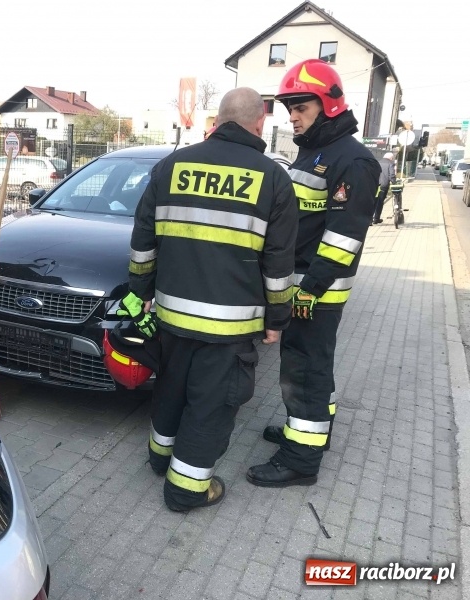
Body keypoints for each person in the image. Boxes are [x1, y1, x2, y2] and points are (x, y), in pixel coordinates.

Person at [119, 87, 298, 511]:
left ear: (218, 121)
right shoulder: (273, 179)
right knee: (211, 405)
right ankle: (187, 490)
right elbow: (278, 264)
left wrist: (140, 293)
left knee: (172, 389)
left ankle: (160, 458)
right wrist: (278, 319)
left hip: (172, 316)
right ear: (260, 124)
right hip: (229, 326)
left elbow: (143, 242)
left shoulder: (171, 166)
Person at [248, 59, 381, 487]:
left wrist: (309, 291)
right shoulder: (317, 153)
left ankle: (300, 460)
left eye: (301, 106)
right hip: (304, 284)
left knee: (304, 369)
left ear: (328, 105)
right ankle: (307, 433)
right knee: (310, 363)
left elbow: (344, 237)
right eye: (288, 107)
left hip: (316, 290)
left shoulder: (353, 161)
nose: (293, 116)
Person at [371, 152, 396, 224]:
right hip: (383, 185)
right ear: (391, 158)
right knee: (380, 202)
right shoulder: (390, 163)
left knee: (373, 201)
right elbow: (391, 175)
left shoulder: (378, 162)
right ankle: (376, 218)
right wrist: (394, 182)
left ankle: (370, 220)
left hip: (375, 184)